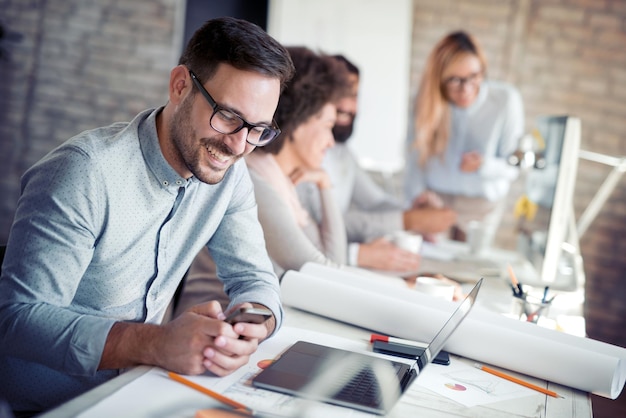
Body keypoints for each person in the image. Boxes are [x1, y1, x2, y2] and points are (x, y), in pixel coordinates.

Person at [0, 17, 294, 415]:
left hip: (140, 394)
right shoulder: (83, 174)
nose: (239, 145)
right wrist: (154, 343)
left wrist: (251, 326)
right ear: (180, 86)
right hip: (48, 406)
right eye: (227, 116)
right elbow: (17, 321)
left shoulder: (230, 174)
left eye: (258, 129)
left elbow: (255, 279)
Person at [298, 55, 456, 272]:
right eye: (340, 94)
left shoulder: (344, 154)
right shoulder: (302, 153)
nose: (348, 104)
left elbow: (376, 202)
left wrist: (413, 211)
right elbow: (319, 224)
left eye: (354, 94)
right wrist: (407, 220)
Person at [404, 31, 524, 247]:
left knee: (469, 272)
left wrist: (485, 165)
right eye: (455, 80)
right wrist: (418, 199)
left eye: (474, 76)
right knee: (429, 267)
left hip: (481, 206)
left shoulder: (506, 100)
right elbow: (414, 156)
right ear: (439, 79)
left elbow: (513, 166)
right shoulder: (424, 100)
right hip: (436, 200)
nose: (466, 88)